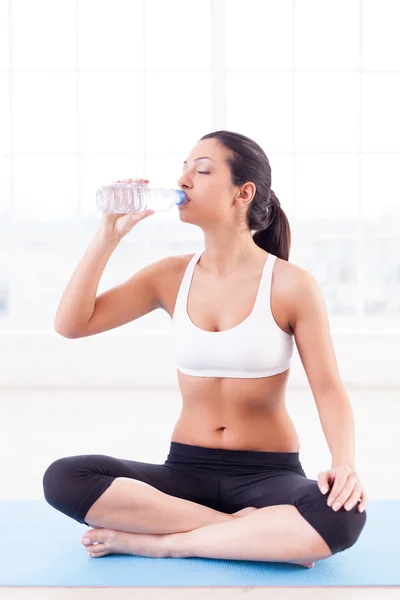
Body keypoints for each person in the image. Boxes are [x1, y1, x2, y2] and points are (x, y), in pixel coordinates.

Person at [43, 130, 367, 567]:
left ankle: (163, 542)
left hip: (268, 476)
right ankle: (254, 533)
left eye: (202, 169)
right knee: (64, 478)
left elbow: (328, 388)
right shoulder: (169, 276)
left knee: (343, 515)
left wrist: (343, 463)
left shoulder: (292, 285)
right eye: (183, 167)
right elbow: (71, 324)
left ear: (244, 193)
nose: (183, 179)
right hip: (184, 471)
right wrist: (108, 236)